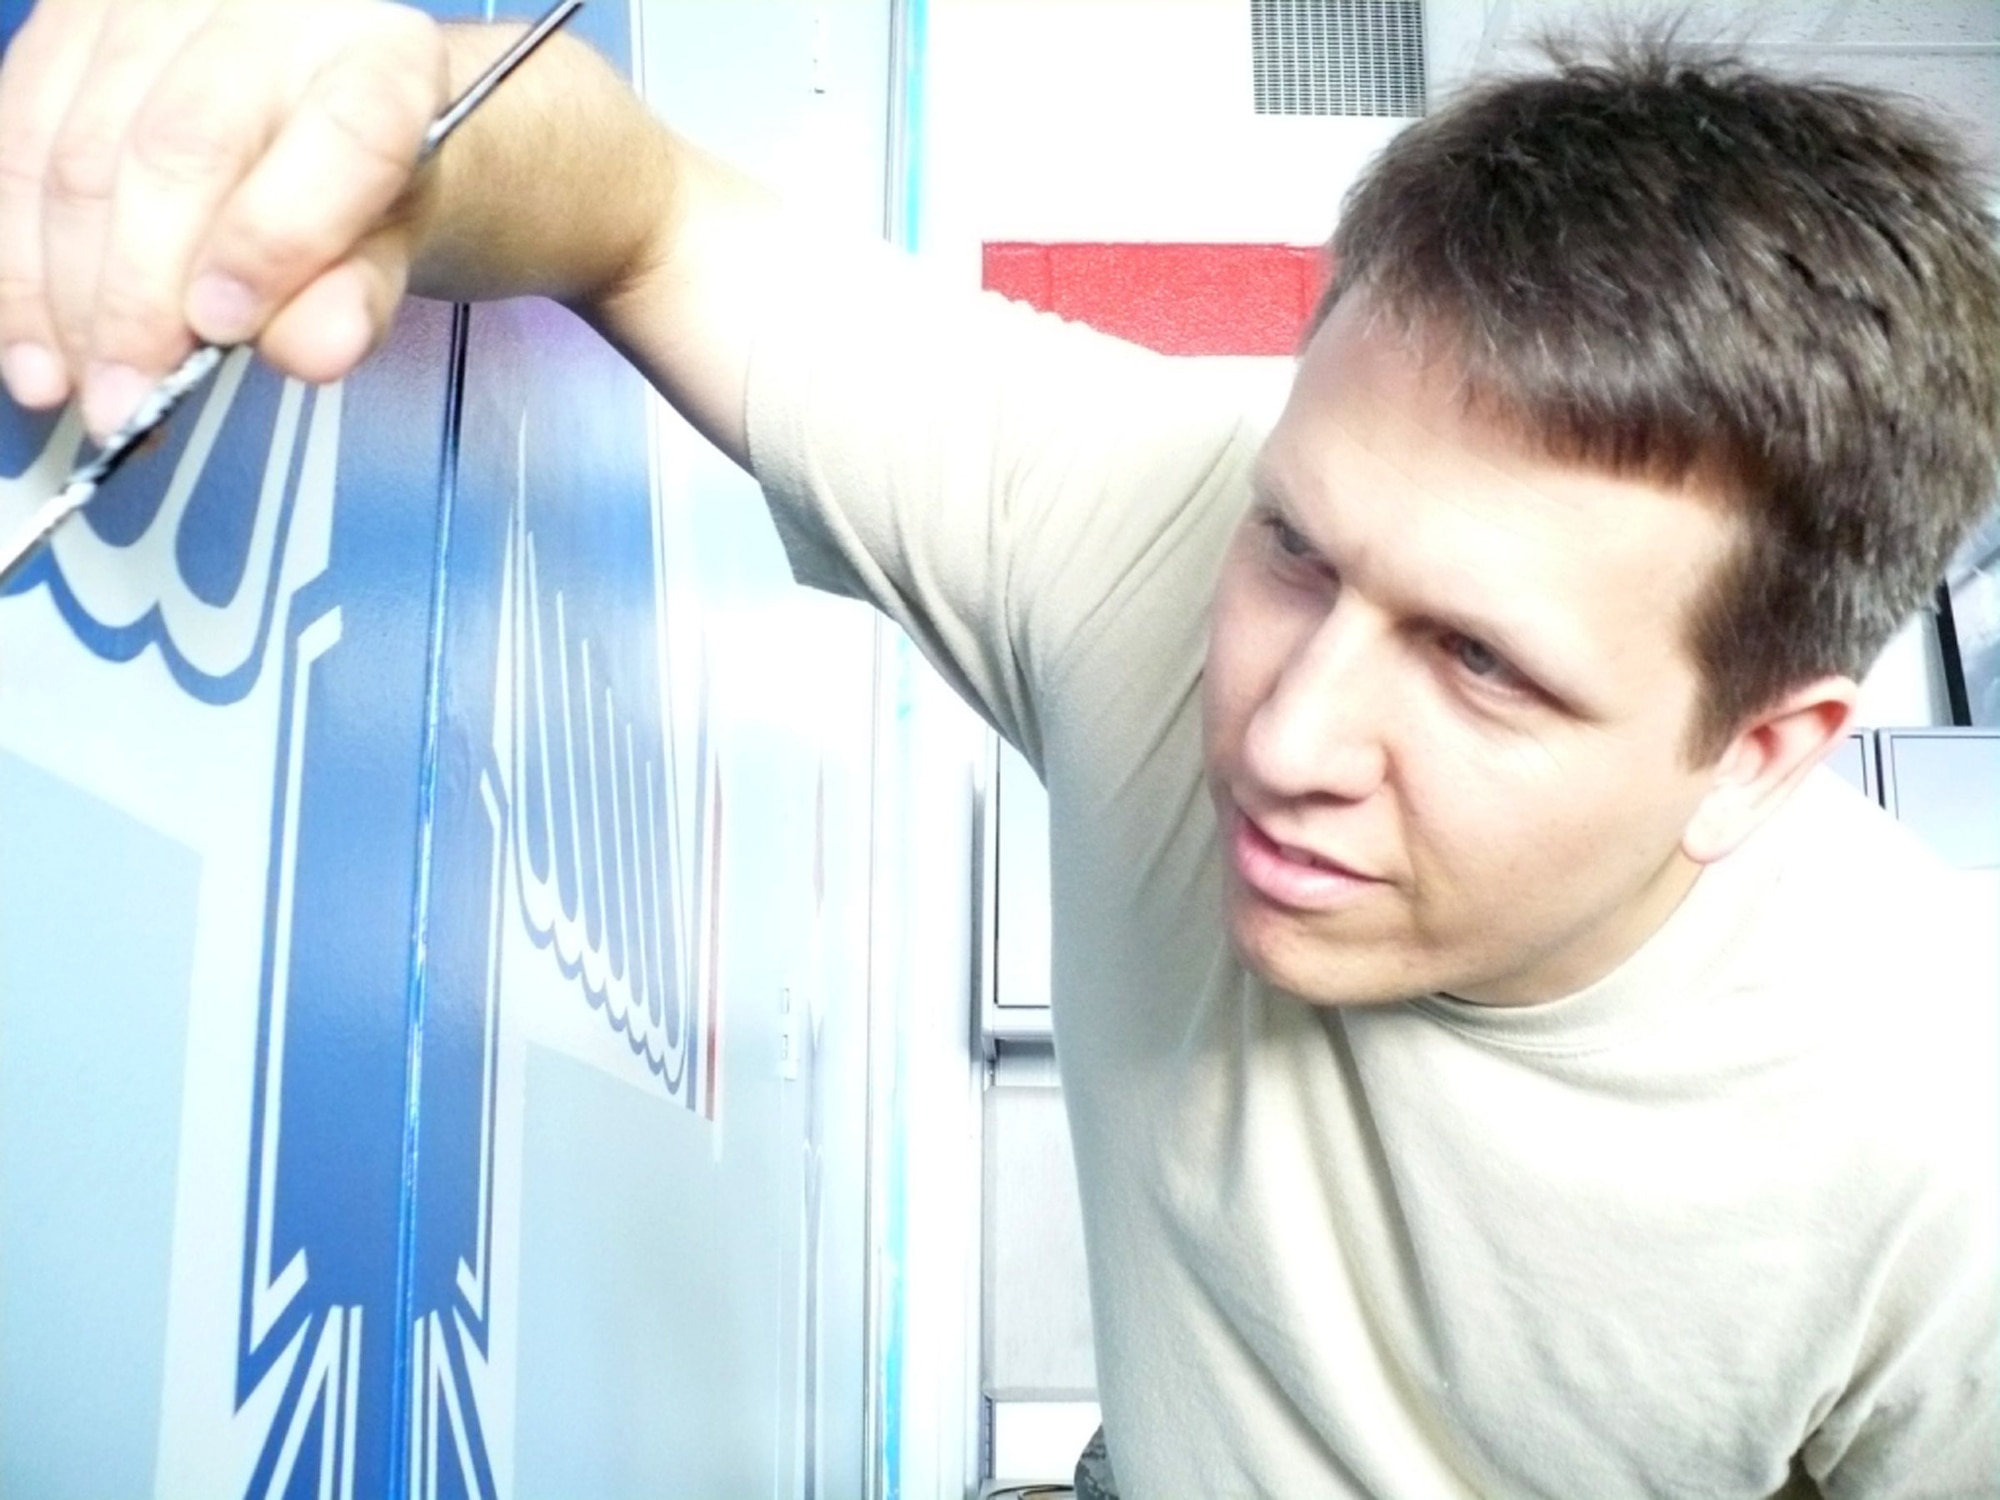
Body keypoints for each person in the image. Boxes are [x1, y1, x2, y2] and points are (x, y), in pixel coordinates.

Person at [3, 5, 1996, 1495]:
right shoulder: (1149, 515)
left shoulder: (1945, 1171)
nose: (1284, 732)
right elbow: (641, 214)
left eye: (1481, 668)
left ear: (1760, 752)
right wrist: (356, 116)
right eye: (1293, 546)